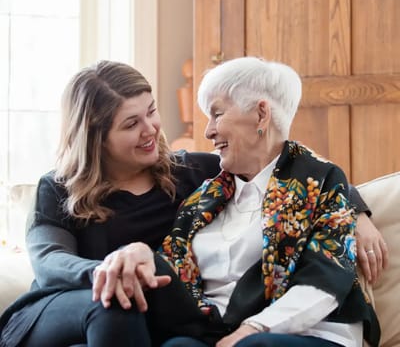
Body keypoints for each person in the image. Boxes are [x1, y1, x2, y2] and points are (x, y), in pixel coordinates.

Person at [0, 59, 385, 347]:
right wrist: (113, 271)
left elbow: (285, 160)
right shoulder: (58, 187)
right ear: (95, 137)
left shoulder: (190, 172)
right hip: (60, 305)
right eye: (131, 124)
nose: (150, 129)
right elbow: (49, 262)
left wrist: (357, 209)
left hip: (148, 317)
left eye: (151, 111)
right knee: (115, 301)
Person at [138, 57, 380, 346]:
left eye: (217, 114)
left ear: (261, 114)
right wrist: (135, 255)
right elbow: (170, 265)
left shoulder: (320, 180)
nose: (208, 131)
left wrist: (252, 329)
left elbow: (325, 280)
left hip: (312, 331)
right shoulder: (204, 197)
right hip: (218, 330)